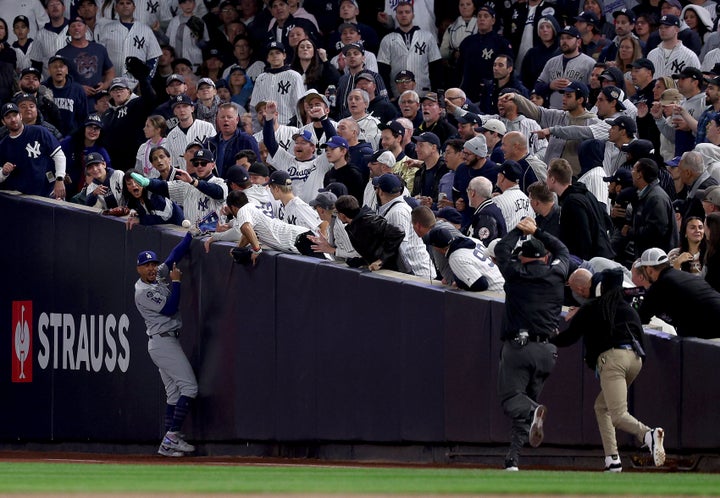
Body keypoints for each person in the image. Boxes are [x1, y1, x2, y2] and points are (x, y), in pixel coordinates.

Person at [553, 268, 666, 472]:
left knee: (618, 415)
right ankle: (612, 459)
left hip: (613, 359)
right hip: (636, 360)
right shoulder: (628, 308)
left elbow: (569, 337)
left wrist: (549, 338)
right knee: (601, 407)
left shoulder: (594, 306)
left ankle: (648, 434)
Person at [494, 216, 571, 471]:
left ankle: (534, 410)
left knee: (512, 399)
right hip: (548, 350)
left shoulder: (516, 273)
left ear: (524, 258)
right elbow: (562, 250)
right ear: (545, 257)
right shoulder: (557, 271)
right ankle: (513, 459)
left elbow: (502, 249)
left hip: (520, 347)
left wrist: (519, 229)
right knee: (524, 409)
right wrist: (538, 231)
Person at [133, 233, 198, 457]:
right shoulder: (142, 291)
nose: (152, 268)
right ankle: (172, 437)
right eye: (146, 265)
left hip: (165, 340)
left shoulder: (157, 276)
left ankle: (169, 442)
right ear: (139, 269)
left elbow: (173, 256)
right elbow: (170, 308)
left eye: (153, 264)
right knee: (190, 388)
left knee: (173, 394)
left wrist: (190, 236)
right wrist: (177, 281)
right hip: (163, 342)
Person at [634, 247, 720, 339]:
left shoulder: (660, 285)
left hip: (710, 330)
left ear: (649, 270)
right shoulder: (684, 276)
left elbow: (640, 319)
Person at [132, 148, 228, 226]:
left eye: (203, 163)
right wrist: (148, 182)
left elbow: (217, 192)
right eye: (196, 163)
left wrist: (193, 181)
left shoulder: (220, 182)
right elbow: (164, 187)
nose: (199, 166)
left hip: (213, 238)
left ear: (212, 165)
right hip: (190, 235)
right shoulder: (187, 185)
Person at [546, 157, 615, 260]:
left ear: (552, 179)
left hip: (591, 262)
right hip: (602, 254)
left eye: (547, 176)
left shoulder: (572, 202)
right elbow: (607, 221)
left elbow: (583, 236)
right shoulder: (586, 194)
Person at [0, 102, 66, 199]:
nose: (13, 119)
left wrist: (60, 179)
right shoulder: (3, 145)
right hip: (22, 198)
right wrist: (4, 172)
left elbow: (59, 155)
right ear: (3, 121)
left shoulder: (39, 132)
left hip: (49, 192)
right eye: (8, 117)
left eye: (15, 115)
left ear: (21, 116)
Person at [377, 1, 442, 99]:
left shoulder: (428, 37)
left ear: (413, 15)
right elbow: (383, 70)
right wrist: (389, 94)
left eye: (407, 12)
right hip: (397, 94)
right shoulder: (387, 39)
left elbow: (436, 67)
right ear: (396, 15)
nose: (404, 15)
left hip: (424, 92)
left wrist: (435, 92)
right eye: (400, 12)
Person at [334, 193, 405, 271]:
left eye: (337, 213)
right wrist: (360, 262)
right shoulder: (355, 225)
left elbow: (399, 232)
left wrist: (381, 260)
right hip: (383, 269)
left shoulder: (370, 221)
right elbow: (372, 247)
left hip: (396, 269)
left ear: (342, 215)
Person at [426, 226, 505, 291]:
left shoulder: (455, 257)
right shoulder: (472, 240)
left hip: (496, 292)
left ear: (436, 247)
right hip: (504, 282)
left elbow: (481, 285)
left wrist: (459, 283)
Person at [248, 41, 305, 125]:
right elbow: (254, 107)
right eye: (271, 54)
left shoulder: (294, 76)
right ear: (267, 58)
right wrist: (257, 130)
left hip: (288, 126)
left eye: (278, 53)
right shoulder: (261, 78)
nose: (274, 56)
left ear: (284, 56)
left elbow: (300, 105)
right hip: (266, 127)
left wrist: (297, 127)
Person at [165, 94, 217, 170]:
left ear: (192, 108)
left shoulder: (207, 127)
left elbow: (216, 154)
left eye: (185, 106)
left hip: (207, 177)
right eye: (178, 107)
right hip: (184, 178)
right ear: (174, 112)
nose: (182, 110)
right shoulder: (171, 136)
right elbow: (173, 165)